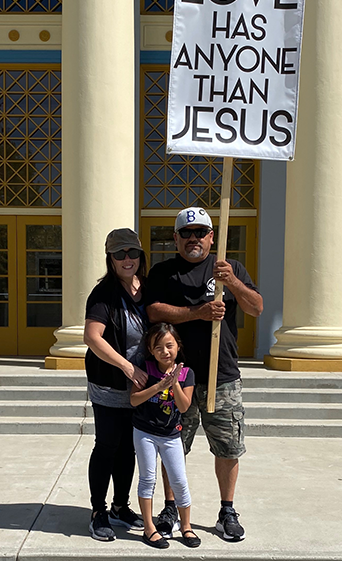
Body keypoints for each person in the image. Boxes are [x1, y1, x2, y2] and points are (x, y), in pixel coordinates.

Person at [145, 207, 263, 542]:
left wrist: (233, 282)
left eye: (201, 232)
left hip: (221, 376)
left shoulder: (230, 268)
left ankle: (227, 510)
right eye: (187, 233)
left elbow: (256, 307)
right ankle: (170, 507)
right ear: (176, 238)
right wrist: (198, 312)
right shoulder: (165, 272)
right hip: (177, 377)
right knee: (172, 446)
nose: (193, 239)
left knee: (227, 447)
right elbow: (154, 311)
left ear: (212, 237)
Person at [84, 228, 148, 542]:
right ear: (110, 258)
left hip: (140, 388)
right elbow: (92, 337)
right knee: (107, 446)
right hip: (109, 384)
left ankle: (121, 507)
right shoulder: (103, 294)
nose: (127, 259)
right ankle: (99, 511)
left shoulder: (147, 289)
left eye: (132, 253)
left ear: (140, 255)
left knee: (128, 449)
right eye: (119, 254)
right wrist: (126, 366)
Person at [130, 322, 201, 549]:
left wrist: (175, 383)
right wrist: (159, 386)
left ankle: (186, 526)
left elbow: (183, 406)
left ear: (177, 346)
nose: (165, 351)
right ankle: (150, 528)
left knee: (179, 480)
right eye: (158, 347)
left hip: (171, 436)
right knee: (147, 479)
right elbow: (134, 399)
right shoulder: (145, 368)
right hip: (145, 433)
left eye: (169, 345)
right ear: (151, 350)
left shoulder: (187, 374)